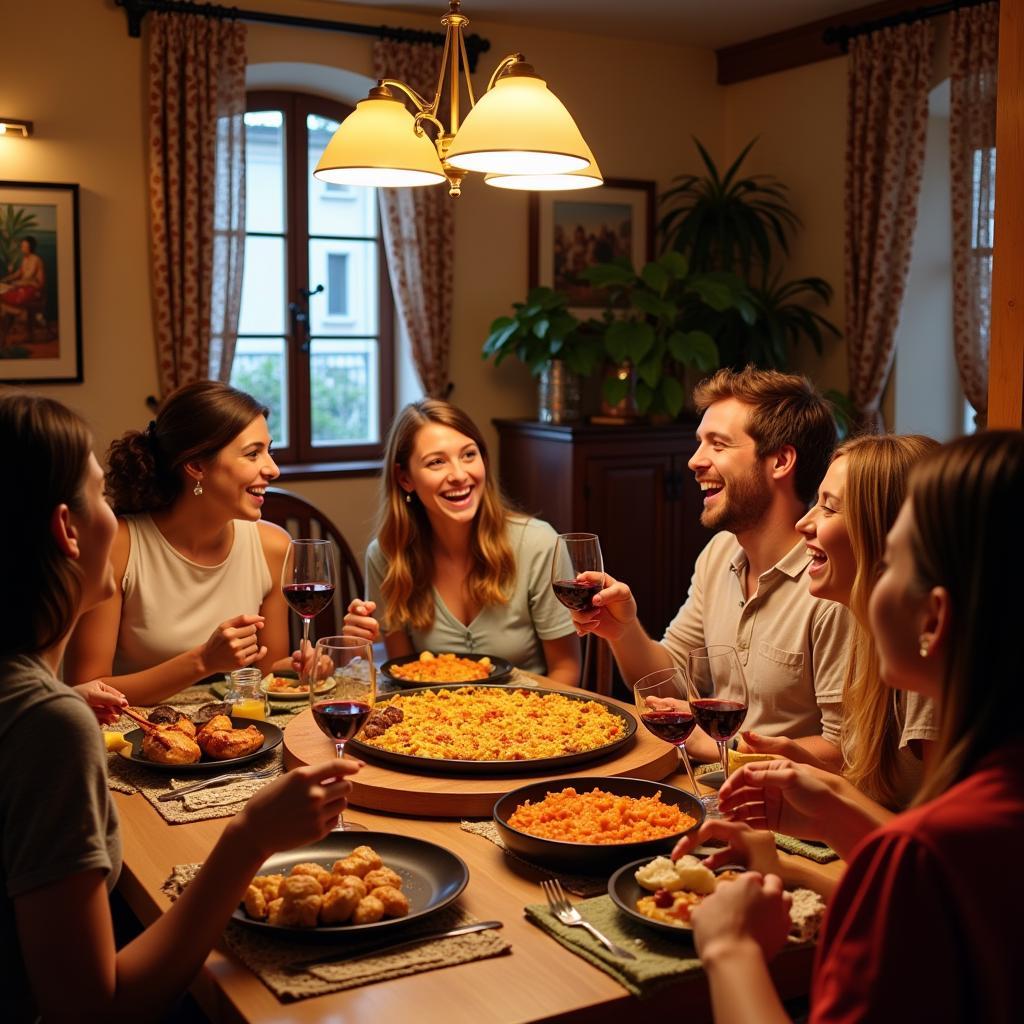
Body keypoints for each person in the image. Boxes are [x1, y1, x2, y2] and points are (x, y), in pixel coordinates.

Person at [0, 389, 356, 1022]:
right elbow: (91, 1007)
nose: (114, 510)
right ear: (65, 527)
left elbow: (270, 668)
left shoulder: (36, 699)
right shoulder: (45, 725)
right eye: (97, 493)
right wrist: (247, 839)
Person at [675, 431, 1024, 1024]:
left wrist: (729, 949)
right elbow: (941, 904)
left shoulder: (923, 851)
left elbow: (921, 872)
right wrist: (827, 817)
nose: (808, 524)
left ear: (934, 617)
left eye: (895, 562)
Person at [570, 367, 851, 768]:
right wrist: (622, 629)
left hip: (789, 811)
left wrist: (727, 752)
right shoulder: (719, 553)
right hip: (710, 783)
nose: (694, 461)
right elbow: (670, 677)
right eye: (699, 443)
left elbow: (846, 752)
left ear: (781, 461)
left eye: (717, 445)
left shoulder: (831, 582)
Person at [65, 380, 295, 707]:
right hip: (135, 740)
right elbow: (86, 691)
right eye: (253, 454)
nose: (272, 469)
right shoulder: (118, 546)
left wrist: (306, 668)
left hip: (237, 734)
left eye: (269, 451)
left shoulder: (274, 547)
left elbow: (268, 674)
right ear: (197, 466)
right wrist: (202, 662)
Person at [743, 434, 939, 809]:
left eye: (830, 509)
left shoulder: (926, 665)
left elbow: (941, 853)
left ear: (885, 534)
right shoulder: (865, 633)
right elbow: (872, 798)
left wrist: (826, 799)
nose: (804, 523)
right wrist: (807, 767)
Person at [343, 399, 580, 686]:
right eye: (436, 462)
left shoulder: (541, 544)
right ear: (405, 478)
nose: (459, 475)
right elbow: (404, 678)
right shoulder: (386, 556)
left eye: (469, 455)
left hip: (533, 718)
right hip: (435, 721)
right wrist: (354, 647)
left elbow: (566, 671)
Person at [0, 236, 45, 308]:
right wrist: (5, 279)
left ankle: (21, 313)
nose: (22, 248)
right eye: (22, 246)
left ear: (30, 247)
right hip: (23, 285)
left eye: (24, 246)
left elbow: (31, 278)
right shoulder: (25, 259)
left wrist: (15, 283)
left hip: (33, 288)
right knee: (3, 292)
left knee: (7, 295)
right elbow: (17, 274)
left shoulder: (35, 259)